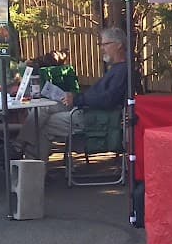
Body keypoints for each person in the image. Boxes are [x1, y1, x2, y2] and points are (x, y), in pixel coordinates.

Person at [20, 27, 128, 162]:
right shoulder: (117, 68)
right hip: (85, 108)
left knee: (43, 125)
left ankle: (32, 168)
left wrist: (77, 99)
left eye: (105, 44)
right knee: (43, 108)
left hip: (93, 117)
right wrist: (75, 97)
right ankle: (20, 146)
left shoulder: (123, 71)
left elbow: (108, 99)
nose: (101, 48)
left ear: (118, 45)